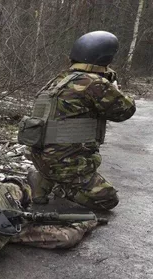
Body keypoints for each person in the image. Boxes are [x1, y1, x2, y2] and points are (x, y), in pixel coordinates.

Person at [18, 30, 136, 210]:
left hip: (40, 157)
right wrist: (114, 88)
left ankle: (43, 179)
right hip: (66, 163)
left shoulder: (58, 80)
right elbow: (125, 111)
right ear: (104, 58)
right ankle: (61, 186)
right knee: (108, 199)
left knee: (60, 161)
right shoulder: (94, 82)